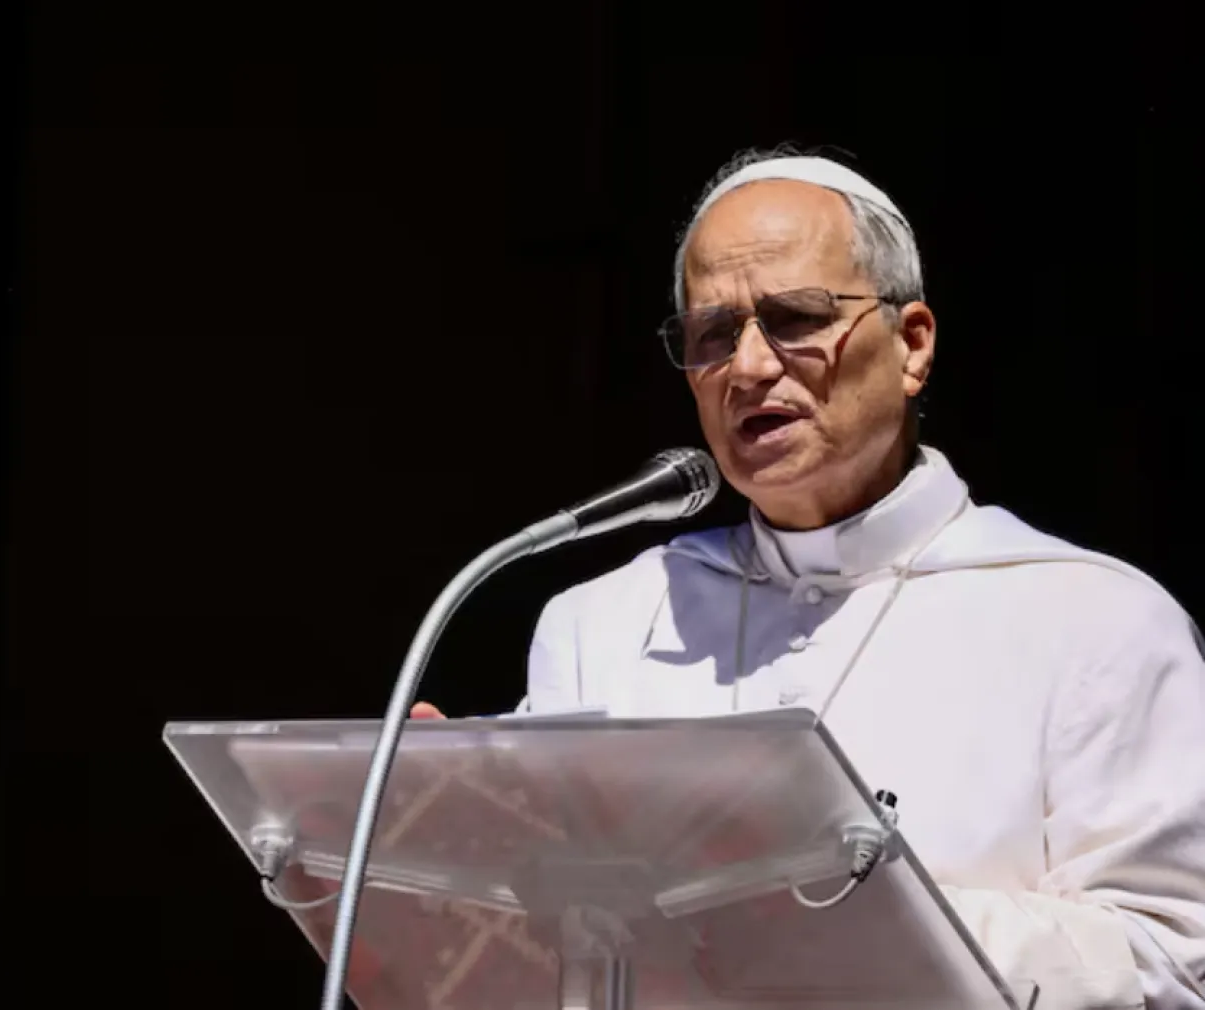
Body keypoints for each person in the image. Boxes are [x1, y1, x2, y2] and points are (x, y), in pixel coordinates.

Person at [417, 149, 1205, 1008]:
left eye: (795, 318)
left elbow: (1171, 959)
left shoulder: (1093, 619)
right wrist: (445, 861)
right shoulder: (599, 626)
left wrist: (851, 926)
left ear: (911, 346)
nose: (749, 367)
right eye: (712, 335)